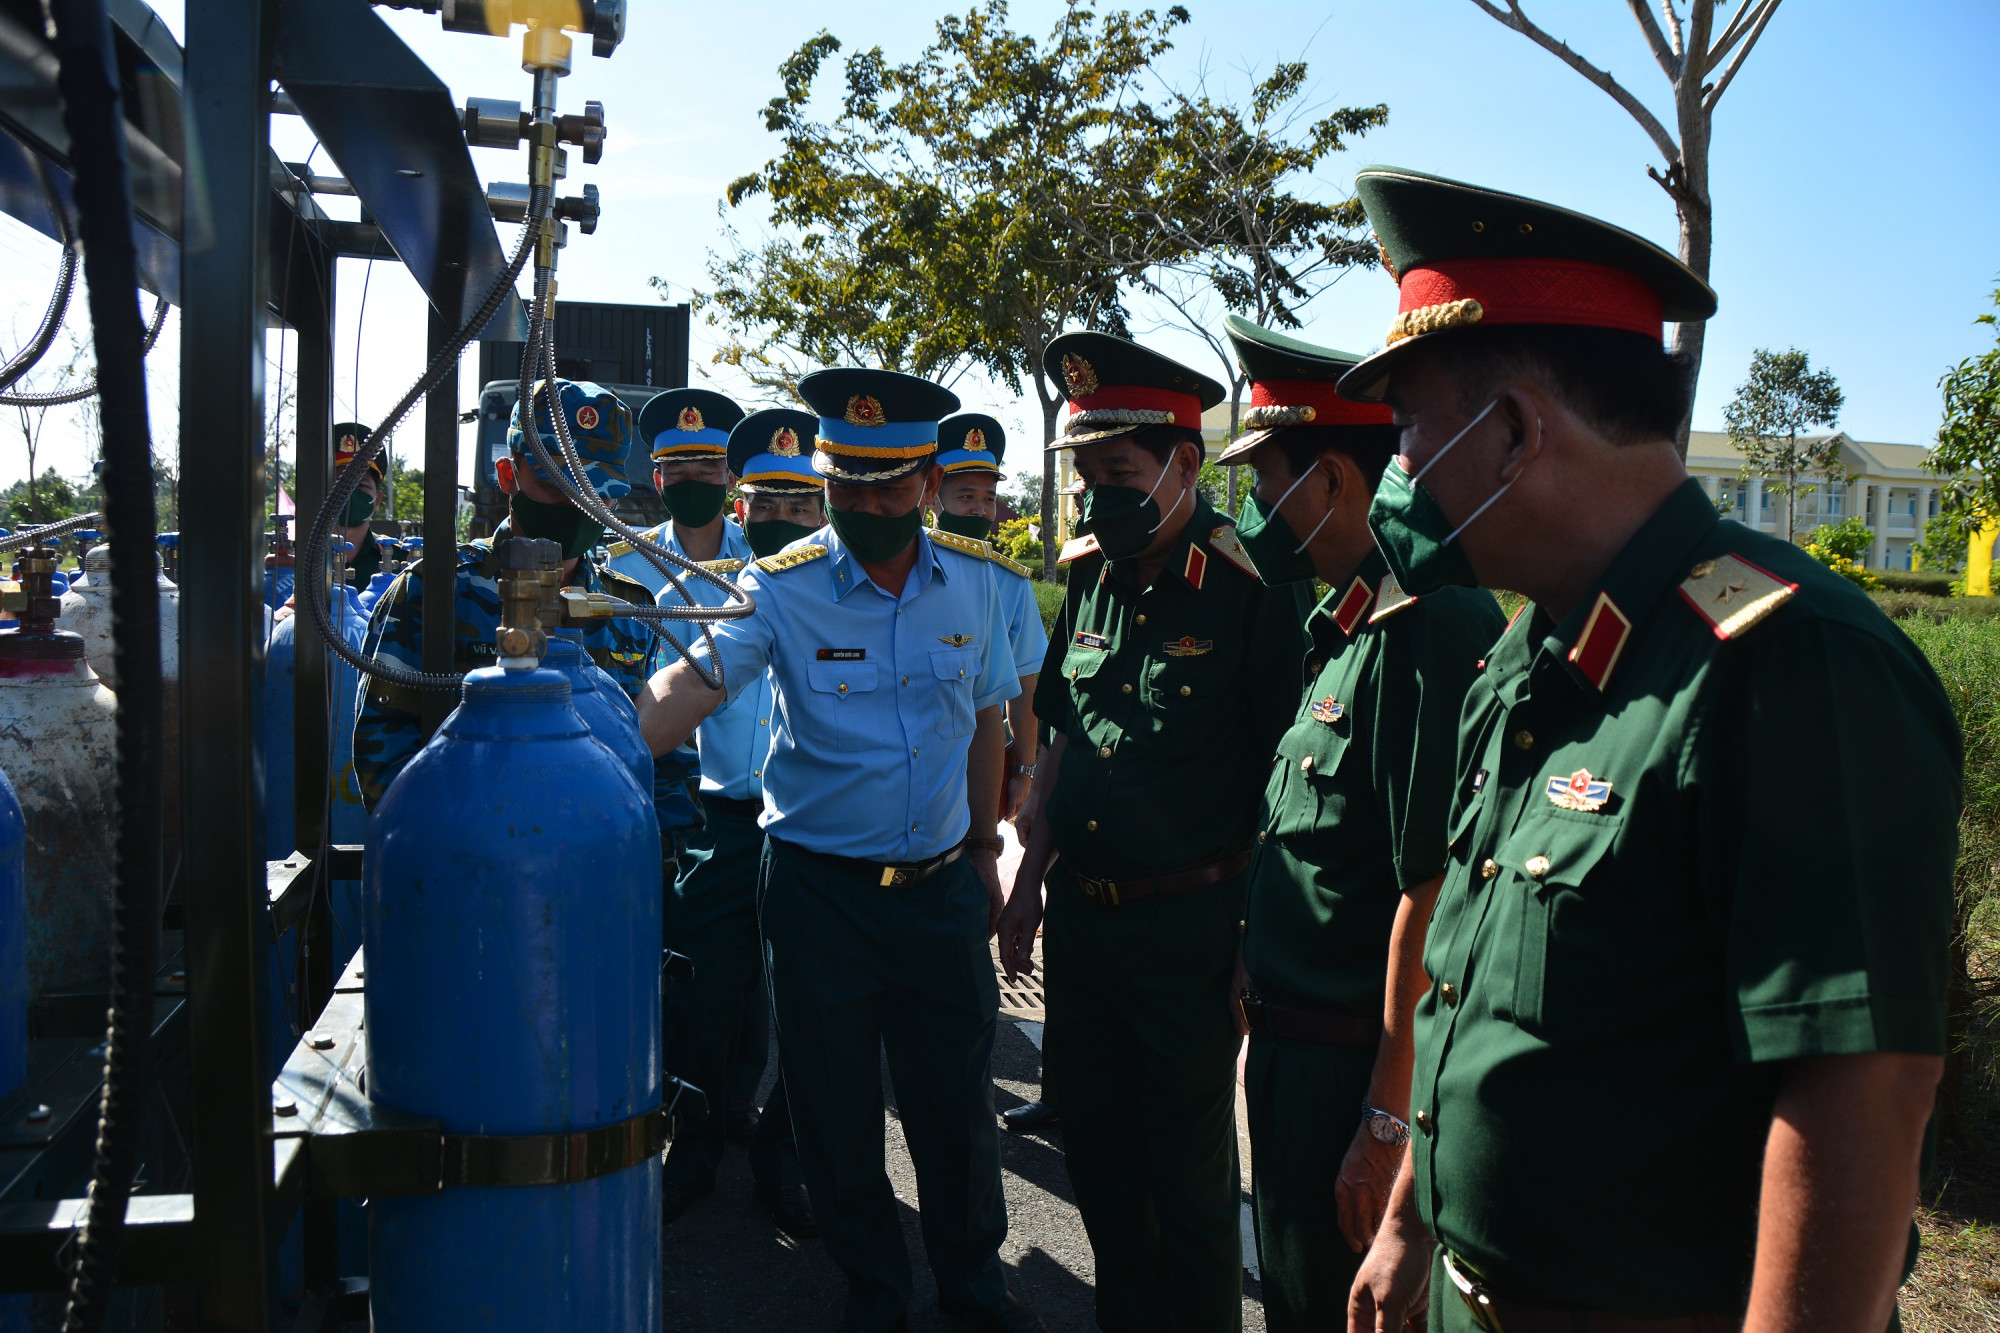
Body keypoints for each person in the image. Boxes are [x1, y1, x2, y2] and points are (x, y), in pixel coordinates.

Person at [1336, 167, 1957, 1333]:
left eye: (1410, 429)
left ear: (1513, 429)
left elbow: (1855, 1094)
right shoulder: (1529, 662)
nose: (1397, 474)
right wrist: (1409, 1228)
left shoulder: (1786, 665)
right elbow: (1471, 1005)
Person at [636, 368, 1044, 1333]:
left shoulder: (980, 584)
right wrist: (602, 741)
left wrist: (988, 848)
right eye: (843, 484)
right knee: (835, 1103)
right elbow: (691, 686)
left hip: (941, 890)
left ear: (928, 476)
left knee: (952, 1106)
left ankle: (974, 1288)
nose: (863, 504)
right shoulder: (780, 589)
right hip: (820, 894)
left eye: (887, 484)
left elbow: (990, 718)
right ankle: (874, 1288)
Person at [995, 331, 1308, 1333]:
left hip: (1190, 930)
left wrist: (1252, 944)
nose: (1094, 498)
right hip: (1083, 928)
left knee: (1188, 1183)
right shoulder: (1090, 573)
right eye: (1084, 476)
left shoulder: (1252, 589)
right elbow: (1063, 744)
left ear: (1183, 463)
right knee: (1098, 1162)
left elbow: (1284, 784)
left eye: (1115, 473)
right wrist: (1025, 882)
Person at [1215, 315, 1504, 1331]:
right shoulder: (1342, 625)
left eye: (1263, 486)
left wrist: (1387, 1116)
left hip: (1356, 1072)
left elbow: (1430, 891)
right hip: (1296, 1056)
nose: (1253, 513)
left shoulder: (1432, 628)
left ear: (1331, 479)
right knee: (1296, 1300)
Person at [353, 378, 701, 861]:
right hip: (465, 868)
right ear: (507, 474)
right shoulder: (435, 593)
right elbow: (383, 748)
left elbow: (667, 767)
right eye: (555, 487)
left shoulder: (629, 611)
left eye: (595, 492)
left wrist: (642, 858)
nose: (577, 507)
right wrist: (456, 850)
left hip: (601, 873)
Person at [654, 407, 825, 1239]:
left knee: (805, 1002)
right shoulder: (680, 593)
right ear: (739, 502)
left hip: (802, 826)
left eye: (800, 506)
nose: (780, 522)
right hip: (718, 821)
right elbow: (660, 722)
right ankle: (692, 1147)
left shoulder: (846, 600)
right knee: (703, 997)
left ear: (822, 510)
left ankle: (783, 1160)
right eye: (765, 504)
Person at [930, 413, 1045, 830]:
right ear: (933, 496)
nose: (980, 509)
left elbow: (1027, 682)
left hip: (980, 765)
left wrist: (1024, 769)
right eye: (966, 497)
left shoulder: (1010, 582)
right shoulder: (902, 571)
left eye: (988, 498)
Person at [605, 387, 751, 597]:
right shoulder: (627, 563)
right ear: (658, 481)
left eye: (705, 473)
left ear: (730, 480)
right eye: (677, 473)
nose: (691, 484)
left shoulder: (755, 554)